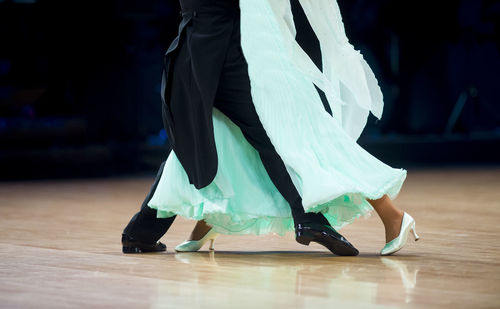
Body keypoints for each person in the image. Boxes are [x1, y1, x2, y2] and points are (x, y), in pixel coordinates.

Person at [122, 0, 419, 256]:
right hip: (226, 48)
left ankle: (153, 230)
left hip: (218, 48)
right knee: (272, 136)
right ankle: (312, 218)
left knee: (255, 136)